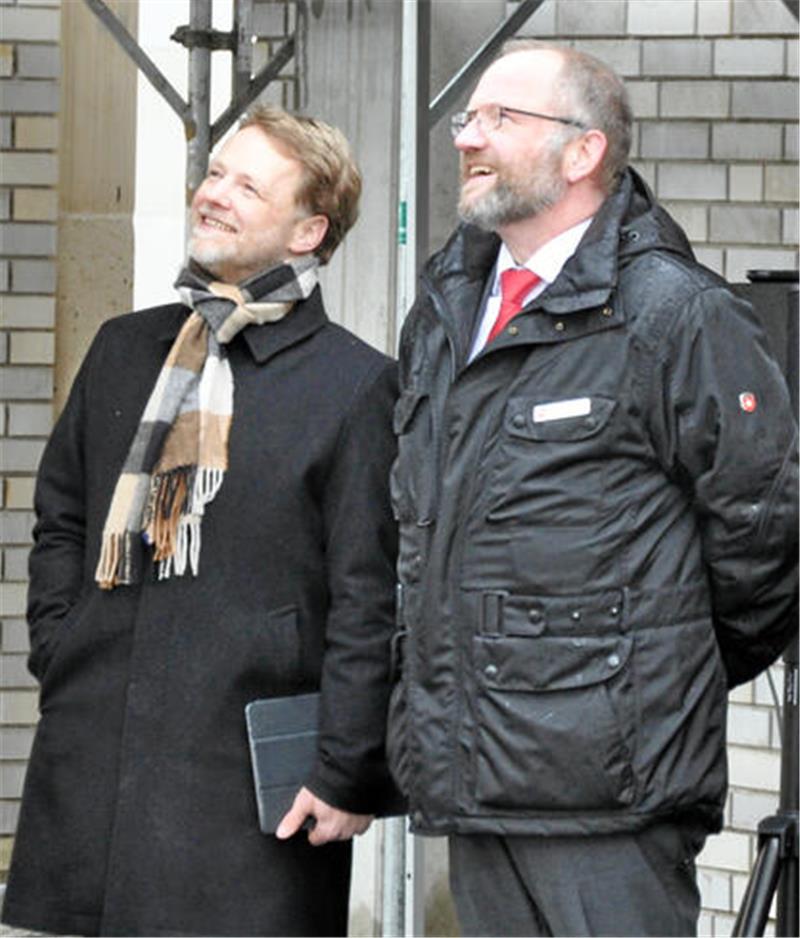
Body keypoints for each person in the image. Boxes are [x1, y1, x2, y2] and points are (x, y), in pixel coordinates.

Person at [386, 41, 798, 938]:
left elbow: (766, 531)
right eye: (468, 118)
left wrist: (659, 668)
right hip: (475, 777)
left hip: (611, 793)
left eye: (502, 118)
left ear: (583, 152)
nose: (469, 138)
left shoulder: (674, 313)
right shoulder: (447, 307)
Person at [3, 106, 399, 938]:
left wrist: (346, 768)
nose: (212, 195)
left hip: (248, 781)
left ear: (308, 232)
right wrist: (61, 643)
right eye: (216, 173)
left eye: (248, 186)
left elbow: (371, 599)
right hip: (98, 752)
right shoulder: (124, 347)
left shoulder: (357, 385)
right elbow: (61, 517)